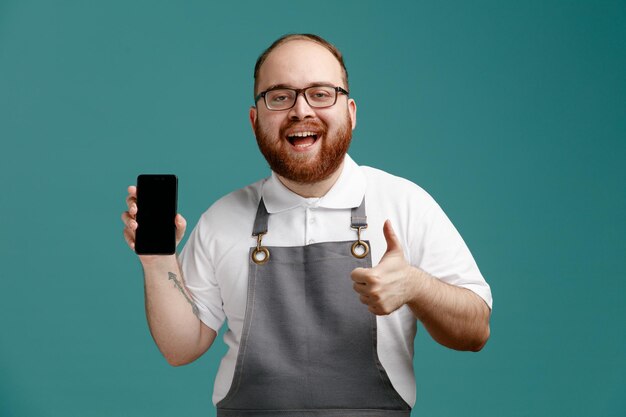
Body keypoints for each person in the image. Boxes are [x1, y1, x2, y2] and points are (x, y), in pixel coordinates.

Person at [122, 33, 492, 416]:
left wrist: (417, 285)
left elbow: (475, 330)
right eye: (280, 97)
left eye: (320, 93)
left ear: (350, 112)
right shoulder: (222, 218)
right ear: (255, 120)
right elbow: (180, 348)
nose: (300, 110)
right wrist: (158, 261)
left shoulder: (404, 203)